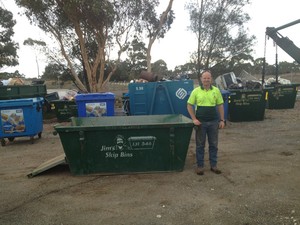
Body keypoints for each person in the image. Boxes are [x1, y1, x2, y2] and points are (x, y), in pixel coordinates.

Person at [187, 70, 225, 175]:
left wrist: (222, 120)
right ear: (201, 79)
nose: (206, 80)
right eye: (204, 78)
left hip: (213, 122)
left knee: (213, 144)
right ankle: (200, 166)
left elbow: (220, 105)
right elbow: (189, 105)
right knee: (200, 145)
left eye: (208, 78)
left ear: (211, 79)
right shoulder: (196, 91)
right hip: (201, 123)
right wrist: (194, 119)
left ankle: (214, 165)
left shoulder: (216, 91)